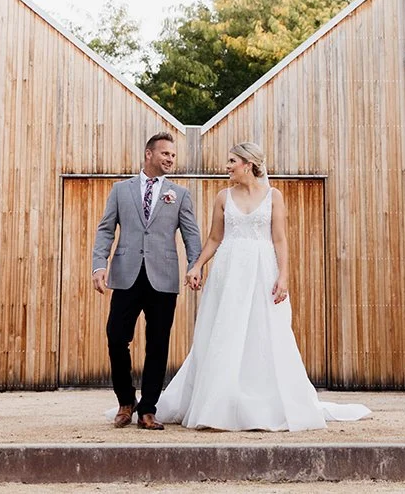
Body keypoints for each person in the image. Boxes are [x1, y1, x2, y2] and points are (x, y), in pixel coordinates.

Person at [155, 142, 371, 431]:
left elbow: (279, 239)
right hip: (228, 272)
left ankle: (262, 400)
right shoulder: (223, 197)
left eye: (232, 161)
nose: (227, 166)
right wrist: (197, 265)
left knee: (263, 329)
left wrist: (284, 276)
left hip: (261, 270)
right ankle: (219, 401)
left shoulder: (273, 196)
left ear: (248, 164)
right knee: (224, 331)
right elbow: (215, 238)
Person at [92, 131, 201, 430]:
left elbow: (191, 234)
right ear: (149, 154)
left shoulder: (179, 194)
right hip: (125, 275)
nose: (170, 159)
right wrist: (98, 265)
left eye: (173, 155)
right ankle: (126, 401)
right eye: (165, 153)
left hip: (163, 278)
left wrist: (195, 266)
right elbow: (105, 230)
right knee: (116, 337)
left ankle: (148, 409)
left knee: (158, 344)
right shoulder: (120, 190)